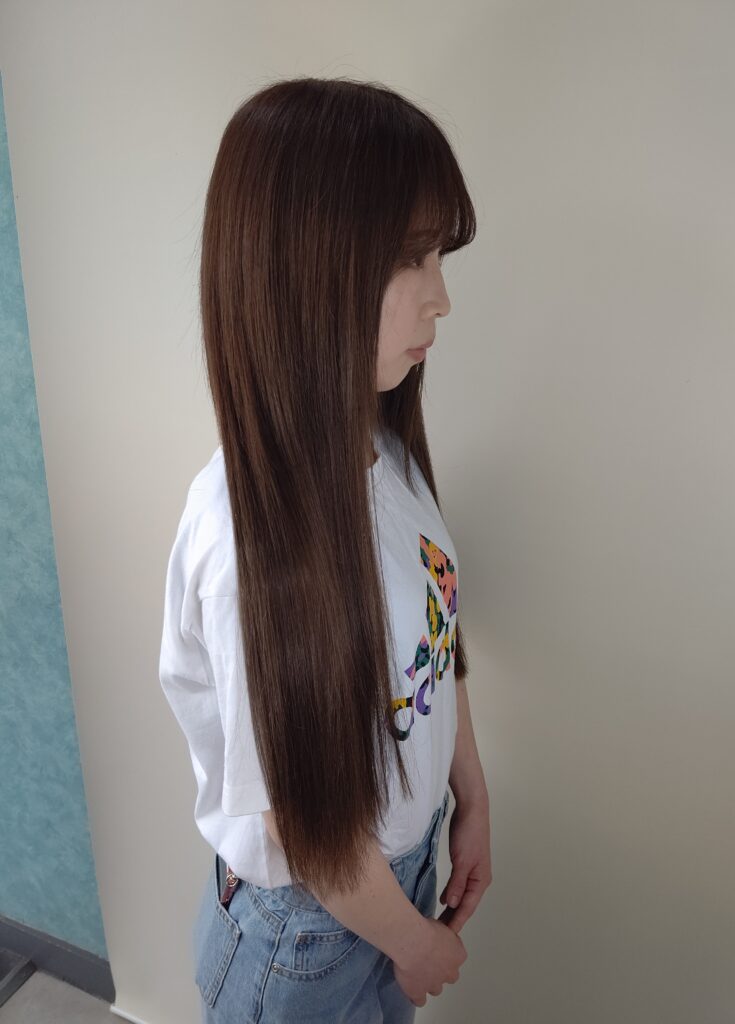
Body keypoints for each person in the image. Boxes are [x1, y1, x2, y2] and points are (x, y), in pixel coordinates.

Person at [158, 75, 492, 1023]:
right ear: (304, 272)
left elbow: (437, 635)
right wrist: (413, 942)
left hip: (395, 879)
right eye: (410, 258)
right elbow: (305, 828)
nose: (441, 298)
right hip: (311, 932)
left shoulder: (385, 447)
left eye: (439, 255)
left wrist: (470, 794)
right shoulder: (247, 547)